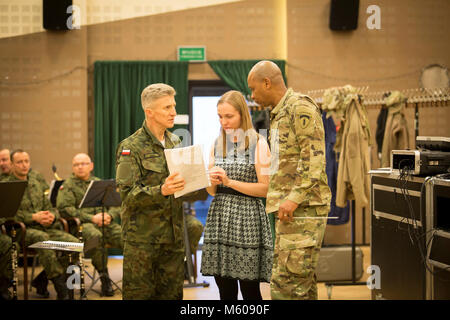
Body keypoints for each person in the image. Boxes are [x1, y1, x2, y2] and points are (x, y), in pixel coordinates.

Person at [247, 61, 331, 300]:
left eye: (253, 89)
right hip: (291, 210)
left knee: (287, 284)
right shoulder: (278, 113)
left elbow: (314, 161)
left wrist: (293, 199)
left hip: (304, 209)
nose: (253, 96)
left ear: (267, 82)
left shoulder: (299, 108)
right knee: (300, 282)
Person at [115, 83, 188, 300]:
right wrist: (162, 190)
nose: (173, 112)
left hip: (173, 241)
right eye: (167, 107)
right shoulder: (130, 147)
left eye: (173, 106)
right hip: (143, 243)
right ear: (149, 112)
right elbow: (128, 195)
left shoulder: (176, 141)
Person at [200, 90, 273, 300]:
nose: (224, 121)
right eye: (220, 117)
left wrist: (230, 182)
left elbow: (265, 189)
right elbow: (212, 192)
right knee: (225, 290)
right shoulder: (216, 143)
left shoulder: (258, 143)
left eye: (229, 116)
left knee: (250, 291)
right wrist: (209, 180)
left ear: (242, 114)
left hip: (247, 218)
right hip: (220, 218)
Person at [6, 149, 80, 300]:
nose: (24, 165)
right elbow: (7, 214)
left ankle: (41, 280)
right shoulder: (7, 185)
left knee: (75, 244)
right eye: (19, 162)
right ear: (12, 165)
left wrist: (51, 216)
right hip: (21, 231)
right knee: (44, 240)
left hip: (44, 228)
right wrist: (33, 217)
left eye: (26, 161)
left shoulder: (35, 183)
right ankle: (62, 290)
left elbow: (50, 206)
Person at [56, 153, 123, 297]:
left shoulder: (99, 183)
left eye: (84, 163)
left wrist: (110, 215)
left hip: (104, 223)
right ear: (73, 168)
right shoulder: (67, 186)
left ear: (91, 166)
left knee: (127, 237)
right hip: (82, 226)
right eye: (76, 164)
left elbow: (116, 204)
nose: (80, 167)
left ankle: (134, 278)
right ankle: (105, 278)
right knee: (96, 236)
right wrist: (92, 218)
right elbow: (65, 209)